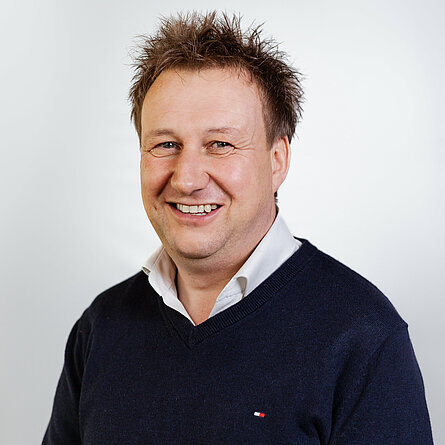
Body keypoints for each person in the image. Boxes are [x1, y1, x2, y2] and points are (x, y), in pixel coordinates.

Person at [43, 11, 433, 444]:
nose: (187, 179)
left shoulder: (363, 338)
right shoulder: (100, 328)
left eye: (220, 144)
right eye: (166, 144)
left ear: (277, 160)